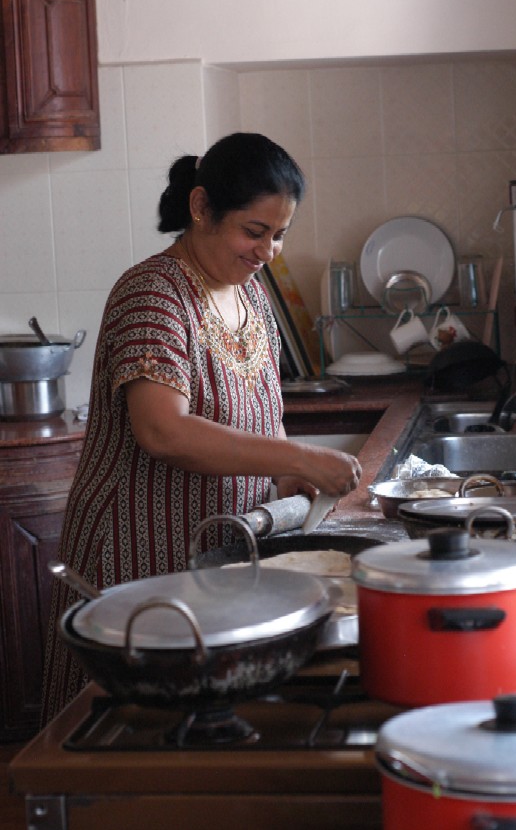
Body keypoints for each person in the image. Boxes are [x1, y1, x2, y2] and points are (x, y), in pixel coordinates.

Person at [41, 132, 362, 724]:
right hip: (142, 557)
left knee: (207, 723)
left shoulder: (252, 295)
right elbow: (163, 431)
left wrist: (282, 482)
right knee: (129, 733)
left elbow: (261, 413)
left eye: (280, 234)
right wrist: (298, 459)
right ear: (200, 208)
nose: (268, 250)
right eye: (254, 230)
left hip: (221, 548)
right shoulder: (153, 294)